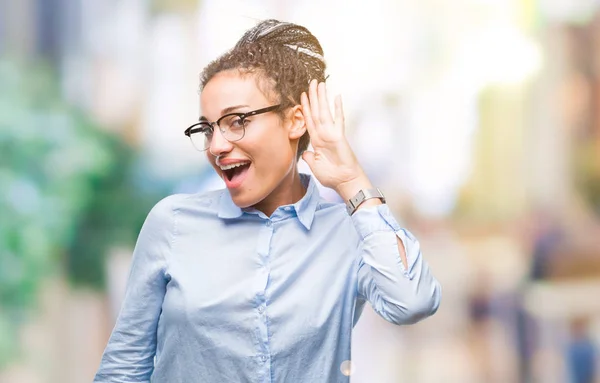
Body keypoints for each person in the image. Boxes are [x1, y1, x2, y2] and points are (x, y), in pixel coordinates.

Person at [94, 19, 441, 383]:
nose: (216, 146)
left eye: (237, 121)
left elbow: (412, 302)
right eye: (208, 128)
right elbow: (124, 367)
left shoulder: (347, 232)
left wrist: (353, 181)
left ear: (294, 122)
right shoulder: (174, 223)